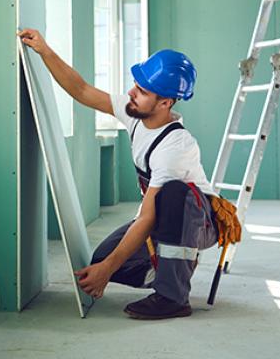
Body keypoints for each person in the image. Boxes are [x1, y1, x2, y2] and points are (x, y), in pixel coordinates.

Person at [18, 28, 218, 320]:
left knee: (174, 194)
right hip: (164, 215)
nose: (131, 93)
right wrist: (44, 50)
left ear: (166, 102)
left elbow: (148, 216)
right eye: (135, 85)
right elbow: (83, 90)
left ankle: (172, 297)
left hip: (200, 220)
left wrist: (107, 271)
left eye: (142, 91)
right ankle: (169, 271)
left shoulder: (176, 146)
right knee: (101, 259)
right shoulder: (135, 112)